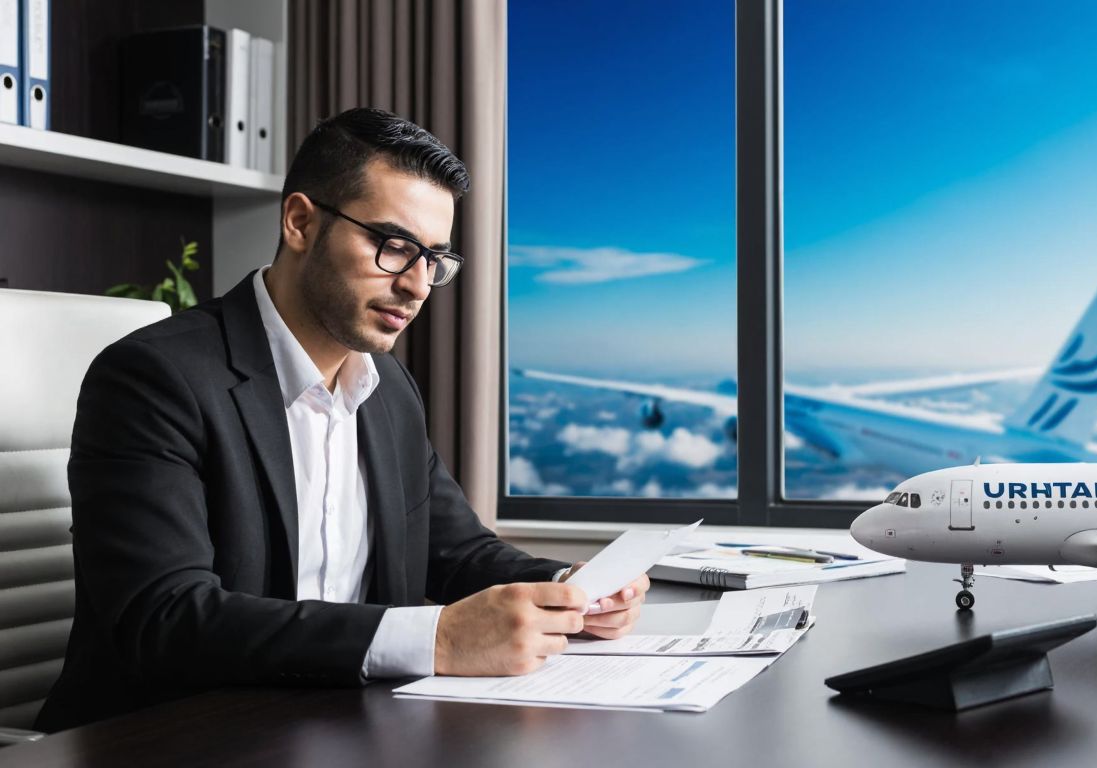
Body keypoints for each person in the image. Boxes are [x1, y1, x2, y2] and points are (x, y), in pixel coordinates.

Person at [36, 107, 649, 732]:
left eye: (434, 258)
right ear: (300, 222)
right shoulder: (155, 377)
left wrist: (568, 588)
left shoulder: (387, 388)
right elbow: (165, 618)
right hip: (167, 737)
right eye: (393, 246)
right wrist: (435, 638)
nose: (416, 284)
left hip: (335, 723)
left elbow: (455, 551)